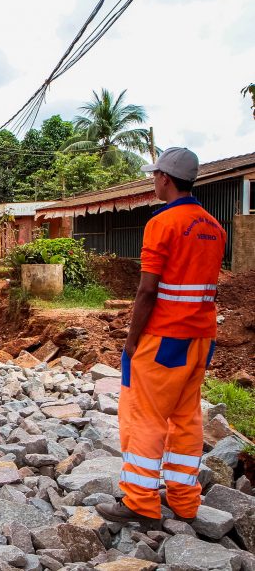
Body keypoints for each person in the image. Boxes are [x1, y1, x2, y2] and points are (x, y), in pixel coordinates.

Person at [96, 147, 226, 527]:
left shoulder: (162, 223)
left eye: (155, 175)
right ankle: (185, 501)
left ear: (165, 178)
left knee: (146, 417)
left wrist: (131, 341)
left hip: (163, 336)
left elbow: (147, 290)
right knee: (186, 417)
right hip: (202, 337)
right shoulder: (213, 227)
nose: (153, 181)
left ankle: (140, 502)